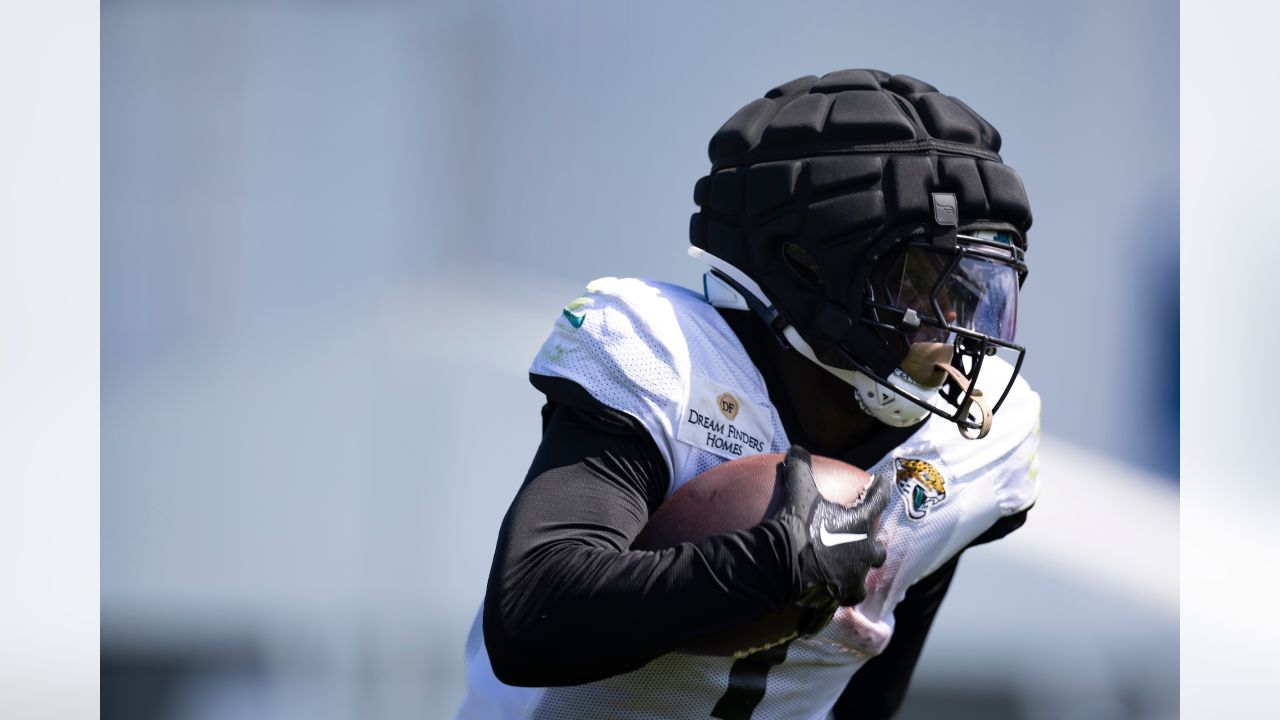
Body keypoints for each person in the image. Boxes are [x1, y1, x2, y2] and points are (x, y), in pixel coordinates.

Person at [457, 69, 1040, 720]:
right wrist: (771, 564)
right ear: (808, 266)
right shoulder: (667, 355)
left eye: (968, 293)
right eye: (920, 284)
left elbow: (872, 690)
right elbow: (533, 616)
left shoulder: (971, 448)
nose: (954, 330)